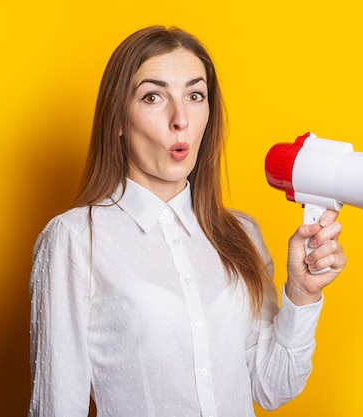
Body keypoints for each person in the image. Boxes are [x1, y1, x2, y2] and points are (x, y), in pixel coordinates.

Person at [28, 25, 346, 417]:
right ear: (118, 120)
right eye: (153, 96)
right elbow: (57, 406)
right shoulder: (76, 239)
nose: (181, 119)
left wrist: (302, 294)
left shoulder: (240, 233)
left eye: (195, 96)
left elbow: (271, 387)